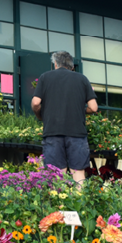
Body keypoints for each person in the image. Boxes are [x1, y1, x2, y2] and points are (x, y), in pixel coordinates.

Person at [31, 51, 98, 183]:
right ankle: (80, 201)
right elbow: (94, 107)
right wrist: (81, 110)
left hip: (52, 131)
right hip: (77, 133)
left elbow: (36, 102)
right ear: (72, 66)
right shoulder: (82, 79)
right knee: (78, 173)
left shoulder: (45, 77)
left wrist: (40, 115)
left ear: (55, 64)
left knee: (56, 174)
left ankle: (59, 202)